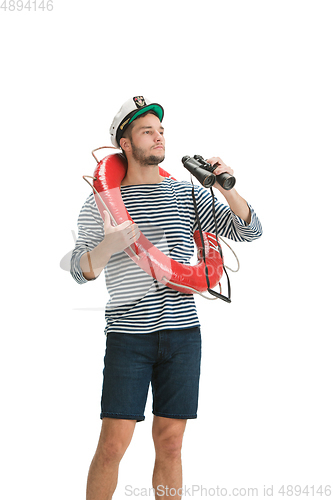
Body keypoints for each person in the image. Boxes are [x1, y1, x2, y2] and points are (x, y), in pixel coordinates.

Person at [70, 96, 262, 500]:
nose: (158, 137)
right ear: (125, 143)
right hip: (128, 337)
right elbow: (79, 270)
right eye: (147, 131)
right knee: (111, 446)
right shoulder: (99, 204)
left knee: (171, 443)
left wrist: (228, 185)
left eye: (161, 131)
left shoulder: (187, 195)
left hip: (182, 335)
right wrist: (106, 247)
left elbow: (250, 230)